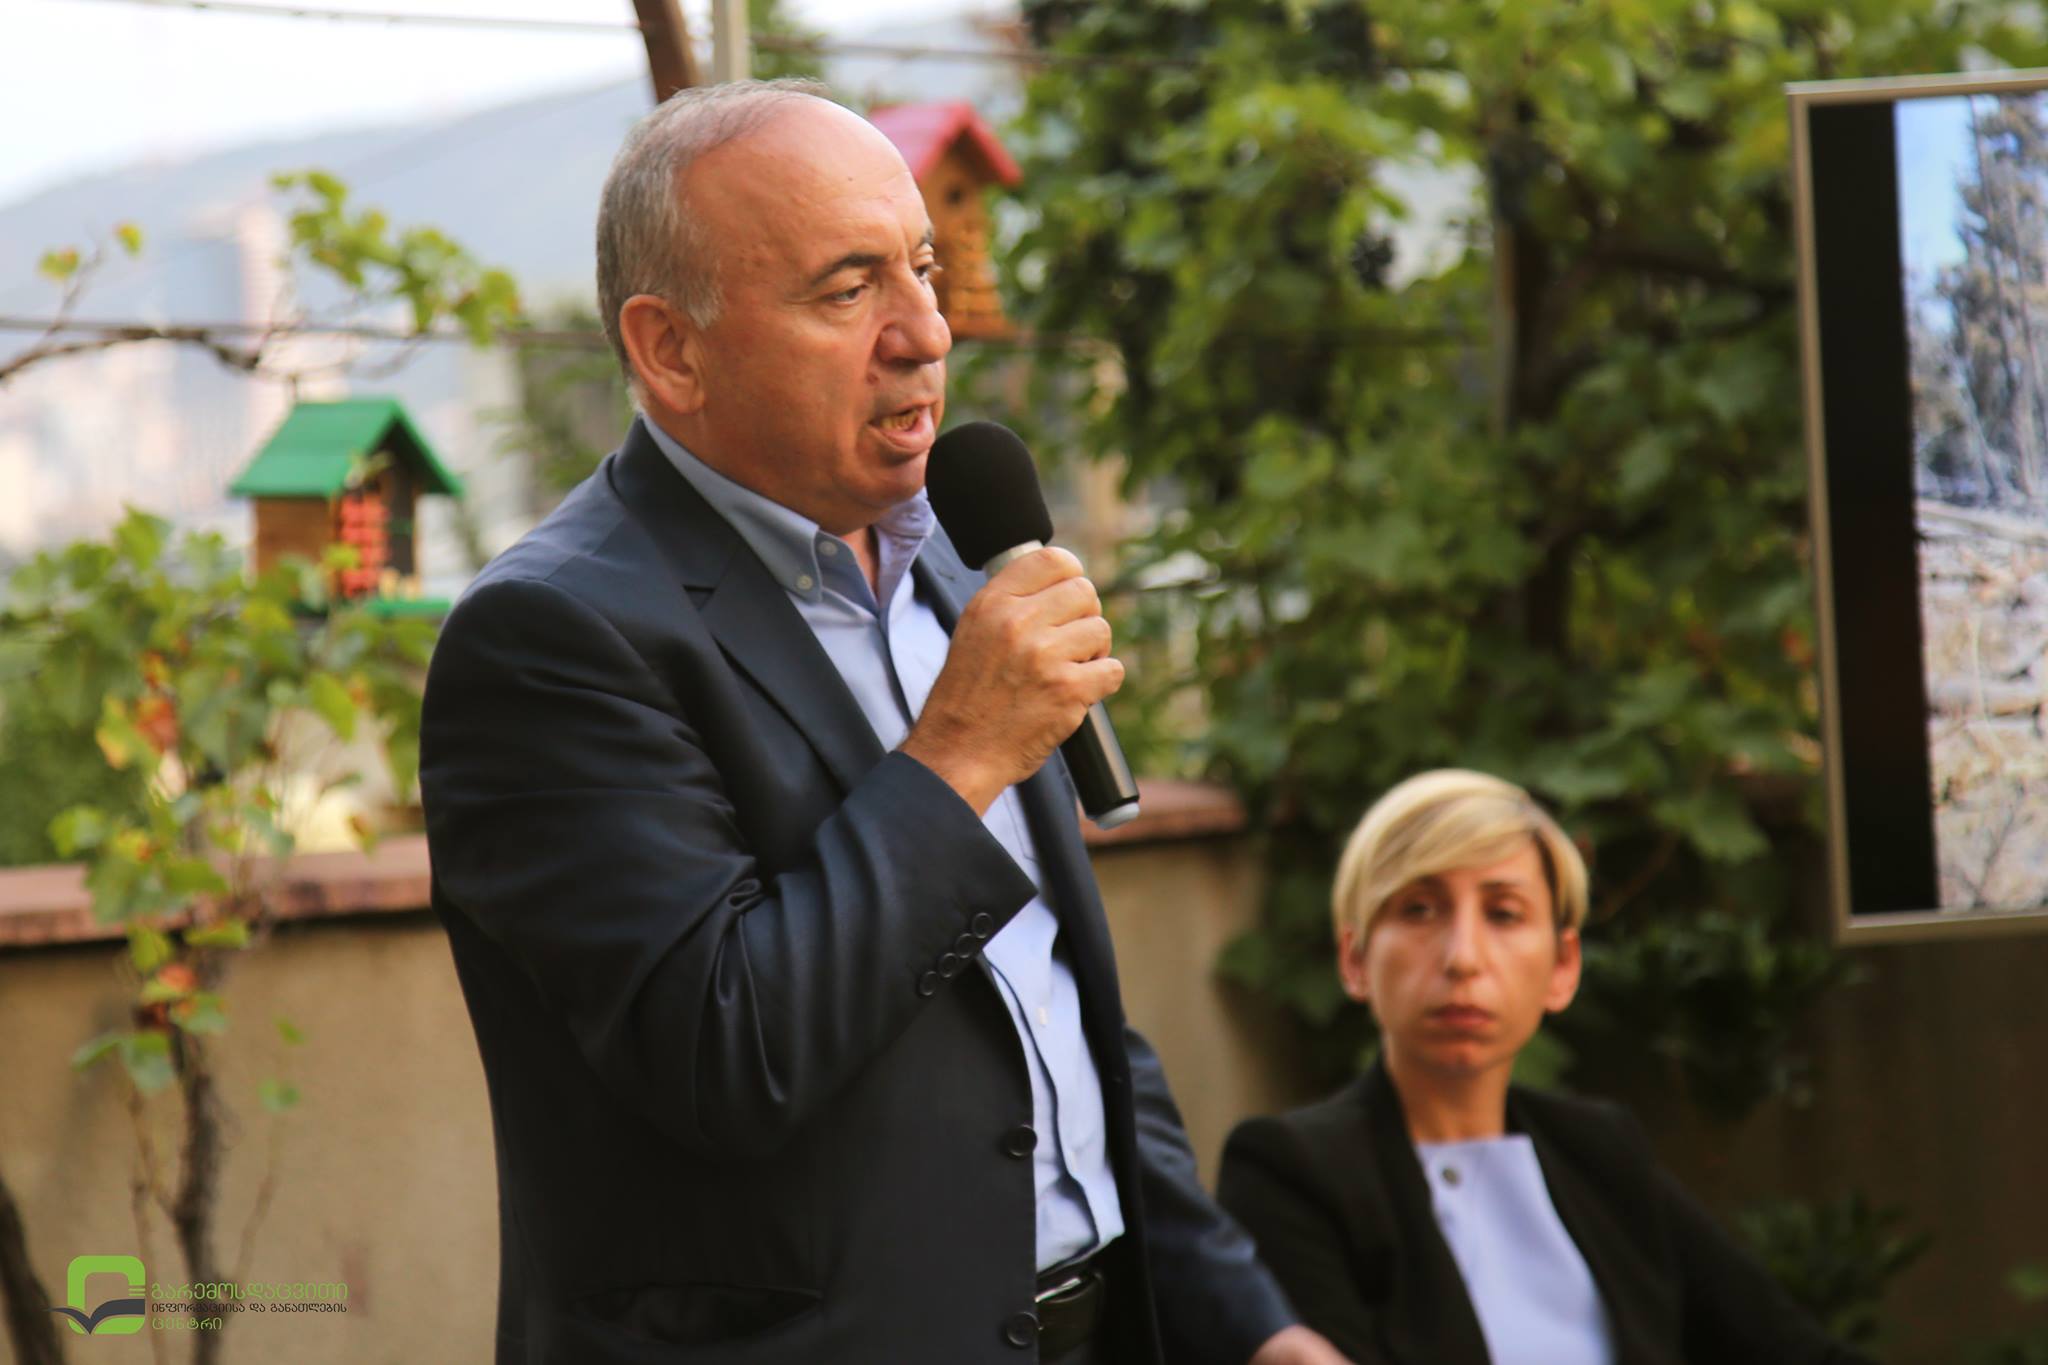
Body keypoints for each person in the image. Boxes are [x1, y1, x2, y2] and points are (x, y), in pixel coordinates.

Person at [419, 79, 1343, 1365]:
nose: (925, 332)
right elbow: (726, 1055)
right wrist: (957, 756)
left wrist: (1244, 1321)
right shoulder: (552, 639)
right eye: (847, 290)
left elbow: (1053, 1010)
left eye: (922, 267)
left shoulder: (958, 564)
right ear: (670, 350)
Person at [1215, 770, 1876, 1365]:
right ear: (1355, 959)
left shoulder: (1600, 1151)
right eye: (1418, 909)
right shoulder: (1289, 1172)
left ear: (1563, 967)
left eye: (1503, 913)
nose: (1463, 957)